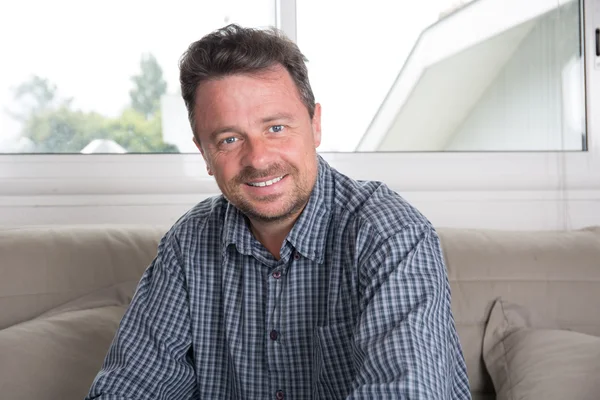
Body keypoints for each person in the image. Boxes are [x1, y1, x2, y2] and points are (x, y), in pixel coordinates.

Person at [86, 24, 471, 399]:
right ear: (204, 153)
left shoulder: (390, 234)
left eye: (276, 128)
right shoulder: (188, 245)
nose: (258, 158)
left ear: (315, 125)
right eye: (230, 139)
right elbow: (129, 388)